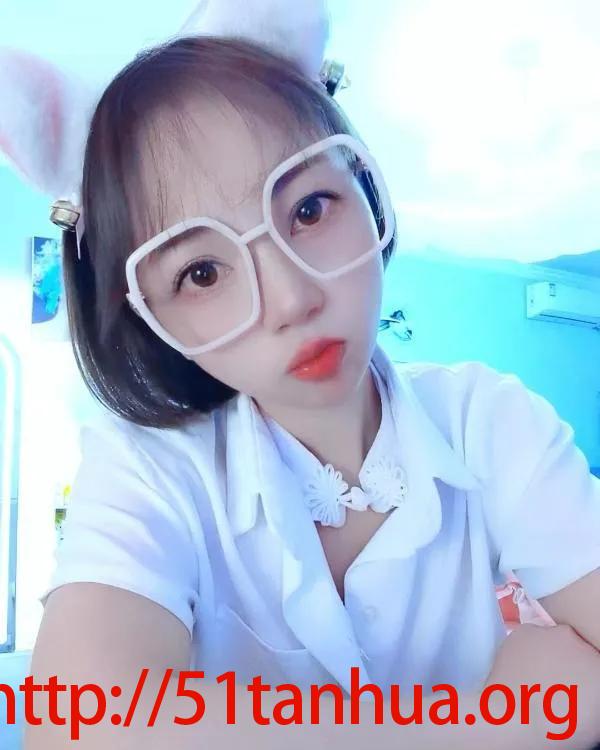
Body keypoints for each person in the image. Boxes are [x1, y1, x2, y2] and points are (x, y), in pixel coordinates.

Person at [5, 5, 598, 749]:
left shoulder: (488, 418)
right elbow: (79, 721)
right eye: (202, 272)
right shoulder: (149, 467)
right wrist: (503, 721)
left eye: (309, 209)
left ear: (364, 190)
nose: (292, 298)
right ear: (153, 322)